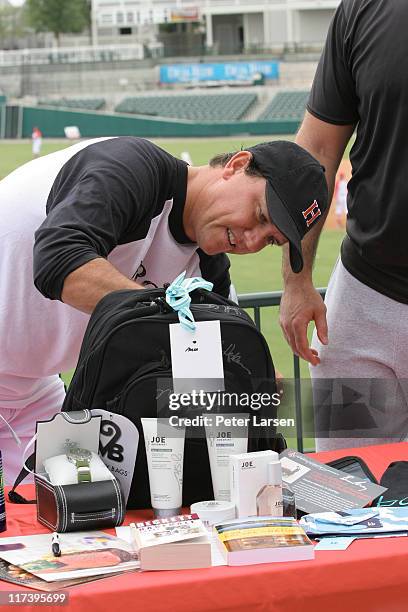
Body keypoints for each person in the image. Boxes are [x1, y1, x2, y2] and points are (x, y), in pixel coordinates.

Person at [0, 137, 328, 483]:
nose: (252, 240)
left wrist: (254, 384)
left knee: (69, 509)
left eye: (270, 240)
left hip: (30, 389)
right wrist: (166, 315)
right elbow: (59, 258)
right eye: (261, 214)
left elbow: (226, 367)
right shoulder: (130, 168)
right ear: (236, 166)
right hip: (24, 379)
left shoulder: (209, 268)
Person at [279, 0, 408, 450]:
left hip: (362, 300)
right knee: (340, 498)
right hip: (361, 303)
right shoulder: (365, 8)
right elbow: (315, 152)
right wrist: (297, 280)